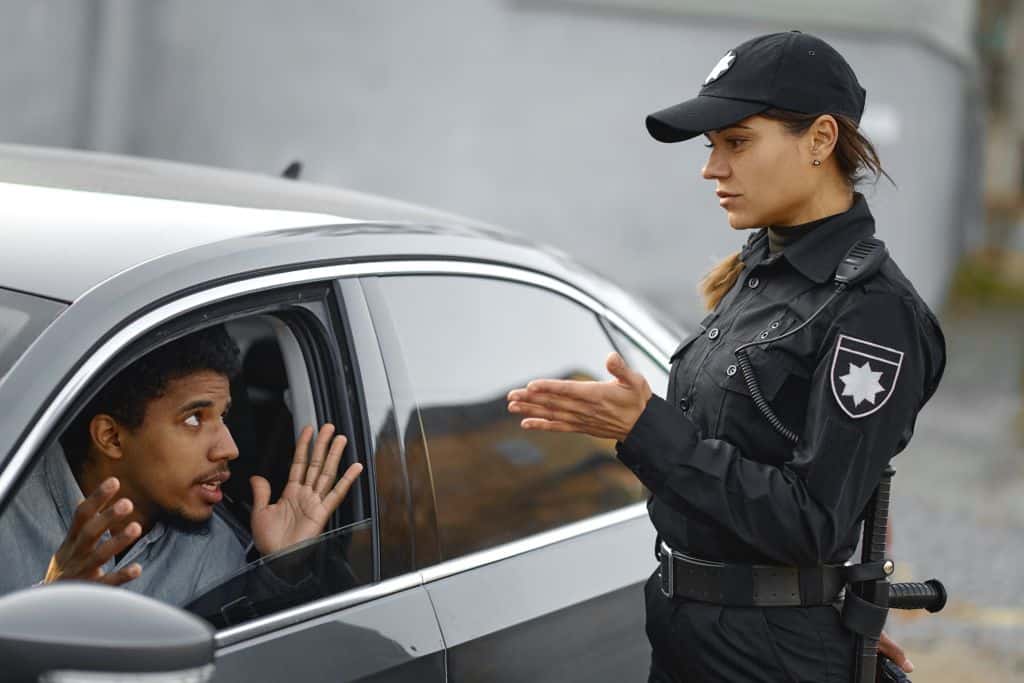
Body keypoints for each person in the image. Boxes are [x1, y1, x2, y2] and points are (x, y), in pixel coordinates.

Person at [507, 31, 945, 682]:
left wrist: (645, 428)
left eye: (736, 142)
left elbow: (813, 520)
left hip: (765, 661)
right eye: (713, 147)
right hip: (692, 632)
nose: (713, 169)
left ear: (821, 140)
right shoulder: (763, 267)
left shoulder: (870, 312)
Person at [0, 325, 362, 606]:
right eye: (194, 420)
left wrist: (281, 567)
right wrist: (46, 606)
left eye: (224, 416)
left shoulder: (215, 545)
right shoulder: (9, 505)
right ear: (111, 436)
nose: (229, 448)